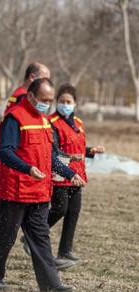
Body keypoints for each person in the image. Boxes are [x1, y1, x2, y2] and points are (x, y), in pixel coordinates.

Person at [0, 78, 86, 292]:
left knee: (41, 239)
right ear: (30, 96)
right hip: (15, 190)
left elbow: (50, 156)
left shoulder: (45, 121)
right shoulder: (14, 118)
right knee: (5, 236)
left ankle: (51, 283)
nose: (47, 104)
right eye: (44, 99)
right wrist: (27, 168)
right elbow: (5, 152)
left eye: (50, 100)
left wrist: (69, 173)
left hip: (39, 193)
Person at [0, 63, 52, 265]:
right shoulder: (22, 98)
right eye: (44, 78)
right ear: (33, 78)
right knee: (3, 215)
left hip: (11, 163)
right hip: (14, 166)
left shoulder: (17, 94)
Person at [48, 84, 104, 261]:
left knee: (73, 212)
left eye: (68, 101)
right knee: (60, 209)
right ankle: (34, 233)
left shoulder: (78, 123)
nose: (65, 104)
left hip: (78, 175)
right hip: (60, 174)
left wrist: (90, 151)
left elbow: (77, 147)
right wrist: (69, 159)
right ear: (56, 102)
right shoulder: (51, 122)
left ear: (75, 103)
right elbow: (53, 150)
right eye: (61, 101)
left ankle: (65, 250)